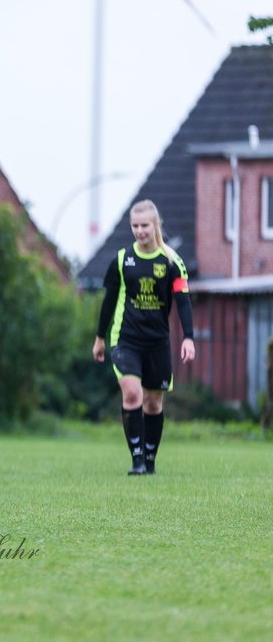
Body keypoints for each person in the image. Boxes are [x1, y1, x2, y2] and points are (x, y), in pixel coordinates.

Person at [93, 199, 195, 475]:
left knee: (153, 402)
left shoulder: (172, 262)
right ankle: (137, 459)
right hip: (126, 340)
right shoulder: (121, 260)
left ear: (156, 225)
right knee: (132, 393)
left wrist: (189, 337)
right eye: (135, 226)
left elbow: (183, 300)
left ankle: (150, 460)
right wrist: (100, 337)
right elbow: (109, 300)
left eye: (144, 225)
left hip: (157, 342)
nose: (139, 231)